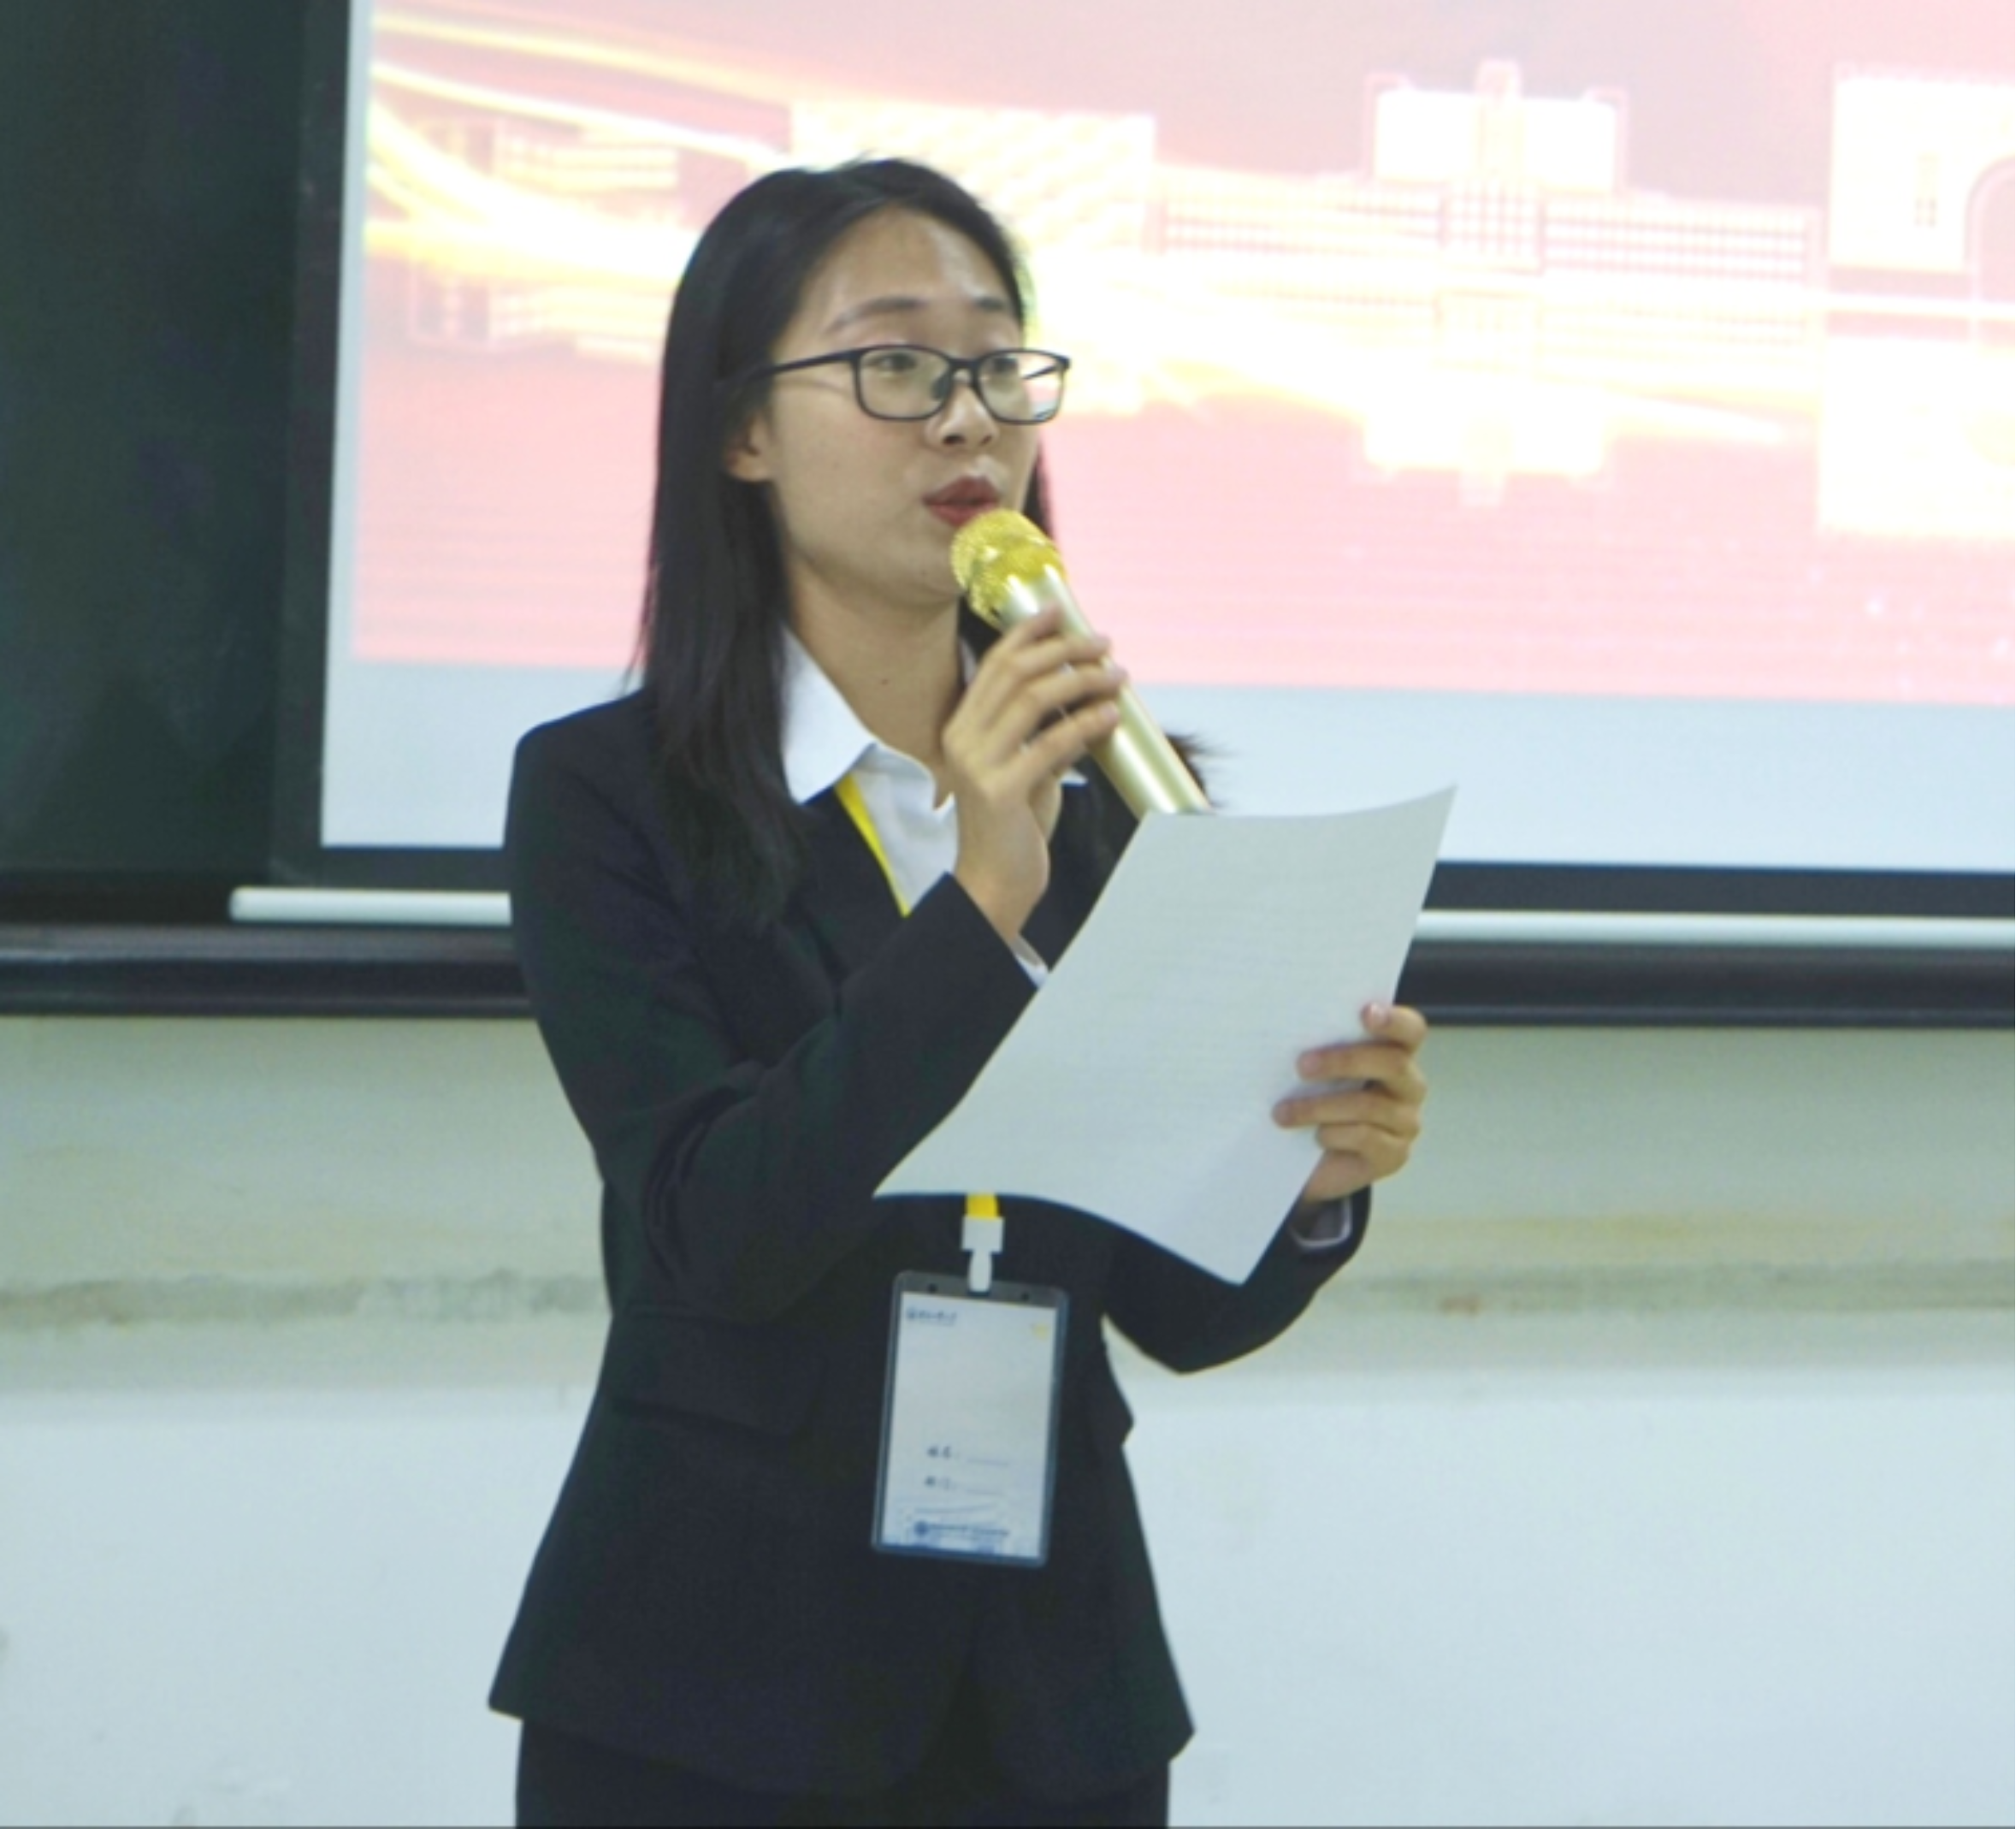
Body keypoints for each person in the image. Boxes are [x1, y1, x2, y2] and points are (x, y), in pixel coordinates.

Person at [490, 157, 1430, 1828]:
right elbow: (717, 1229)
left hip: (1052, 1698)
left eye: (999, 364)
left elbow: (1175, 1310)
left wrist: (1307, 1184)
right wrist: (979, 898)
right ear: (741, 431)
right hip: (711, 1686)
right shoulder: (607, 796)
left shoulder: (1118, 799)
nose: (965, 419)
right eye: (896, 362)